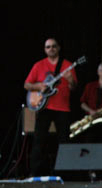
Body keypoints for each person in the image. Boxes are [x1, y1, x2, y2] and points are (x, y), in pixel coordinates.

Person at [24, 38, 77, 176]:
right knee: (39, 141)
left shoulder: (67, 65)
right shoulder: (39, 65)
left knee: (64, 143)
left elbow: (74, 88)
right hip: (44, 108)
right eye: (48, 47)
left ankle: (63, 174)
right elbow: (27, 85)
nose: (51, 49)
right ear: (45, 50)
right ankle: (34, 174)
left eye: (53, 46)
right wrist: (39, 86)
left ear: (58, 48)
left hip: (63, 109)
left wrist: (70, 79)